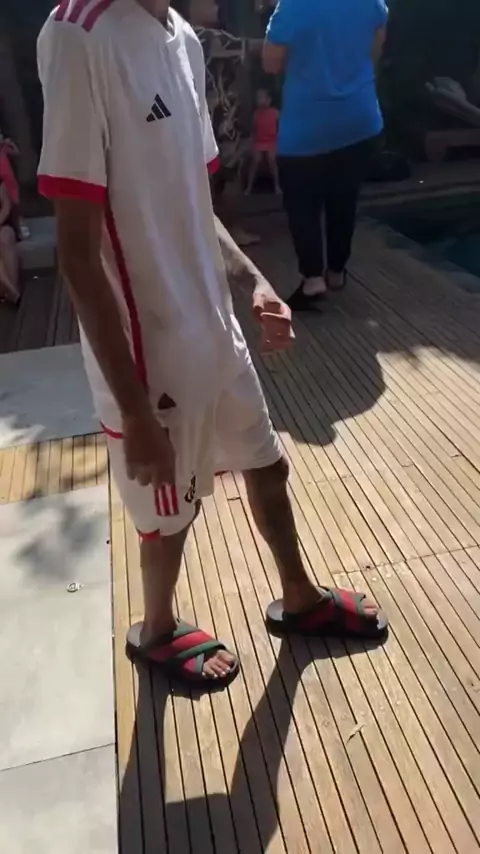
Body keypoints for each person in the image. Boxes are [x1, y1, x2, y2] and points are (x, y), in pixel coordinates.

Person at [38, 0, 387, 689]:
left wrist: (253, 281)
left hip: (212, 323)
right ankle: (157, 630)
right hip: (149, 347)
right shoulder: (77, 35)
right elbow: (77, 255)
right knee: (168, 516)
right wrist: (134, 411)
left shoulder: (183, 39)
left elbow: (197, 206)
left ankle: (300, 597)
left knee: (267, 464)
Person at [263, 0, 388, 310]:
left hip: (307, 122)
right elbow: (376, 44)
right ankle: (336, 272)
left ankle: (312, 279)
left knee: (301, 203)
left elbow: (270, 64)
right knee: (344, 197)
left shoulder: (293, 5)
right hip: (359, 117)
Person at [176, 0, 260, 246]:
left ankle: (217, 236)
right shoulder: (202, 36)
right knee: (224, 179)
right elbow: (252, 47)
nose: (215, 5)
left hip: (215, 120)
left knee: (219, 180)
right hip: (218, 123)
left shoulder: (181, 34)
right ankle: (226, 235)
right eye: (208, 2)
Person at [245, 87, 281, 195]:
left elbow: (281, 127)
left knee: (272, 160)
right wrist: (251, 142)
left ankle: (277, 186)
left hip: (272, 141)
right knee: (256, 161)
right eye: (258, 98)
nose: (260, 100)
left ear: (269, 100)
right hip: (259, 141)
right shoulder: (256, 114)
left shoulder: (275, 113)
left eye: (262, 97)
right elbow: (253, 130)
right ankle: (249, 187)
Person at [0, 180, 20, 304]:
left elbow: (6, 207)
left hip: (3, 224)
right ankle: (11, 290)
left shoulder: (1, 184)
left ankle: (12, 287)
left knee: (5, 238)